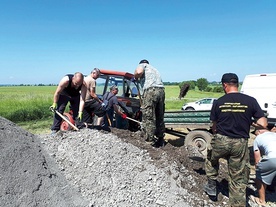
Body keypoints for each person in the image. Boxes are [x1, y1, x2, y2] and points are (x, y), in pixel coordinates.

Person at [204, 73, 267, 207]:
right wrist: (254, 124)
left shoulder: (218, 102)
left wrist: (217, 135)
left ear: (224, 85)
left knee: (211, 159)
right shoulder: (251, 101)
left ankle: (211, 186)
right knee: (238, 176)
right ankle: (237, 203)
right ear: (237, 84)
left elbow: (214, 127)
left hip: (221, 140)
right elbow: (263, 123)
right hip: (240, 142)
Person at [133, 59, 165, 147]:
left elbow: (139, 72)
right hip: (161, 91)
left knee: (148, 116)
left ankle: (149, 141)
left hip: (151, 91)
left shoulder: (143, 66)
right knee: (159, 115)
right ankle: (160, 139)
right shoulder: (154, 69)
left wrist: (135, 77)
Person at [249, 125, 276, 207]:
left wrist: (258, 169)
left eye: (255, 132)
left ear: (259, 131)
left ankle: (261, 200)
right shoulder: (274, 134)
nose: (255, 135)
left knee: (259, 175)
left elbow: (257, 159)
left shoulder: (258, 138)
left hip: (273, 158)